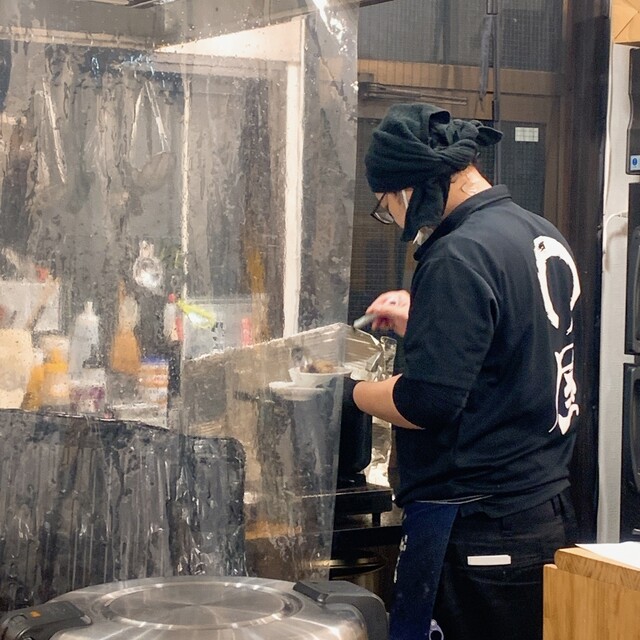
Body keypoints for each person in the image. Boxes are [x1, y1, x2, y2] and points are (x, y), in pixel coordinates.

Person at [345, 103, 581, 640]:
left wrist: (348, 392)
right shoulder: (539, 233)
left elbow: (426, 403)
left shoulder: (458, 255)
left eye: (386, 206)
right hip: (541, 513)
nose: (393, 219)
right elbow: (514, 349)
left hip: (478, 530)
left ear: (408, 189)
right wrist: (426, 325)